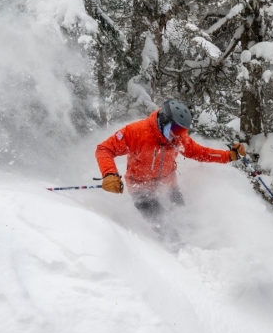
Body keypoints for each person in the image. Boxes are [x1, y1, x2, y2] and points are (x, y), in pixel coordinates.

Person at [95, 99, 246, 239]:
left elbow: (200, 152)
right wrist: (109, 174)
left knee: (183, 218)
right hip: (141, 188)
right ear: (164, 120)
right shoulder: (136, 132)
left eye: (182, 131)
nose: (178, 136)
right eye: (176, 129)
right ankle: (170, 253)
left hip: (168, 185)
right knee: (164, 227)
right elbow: (104, 149)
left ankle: (194, 245)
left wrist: (228, 156)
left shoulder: (178, 139)